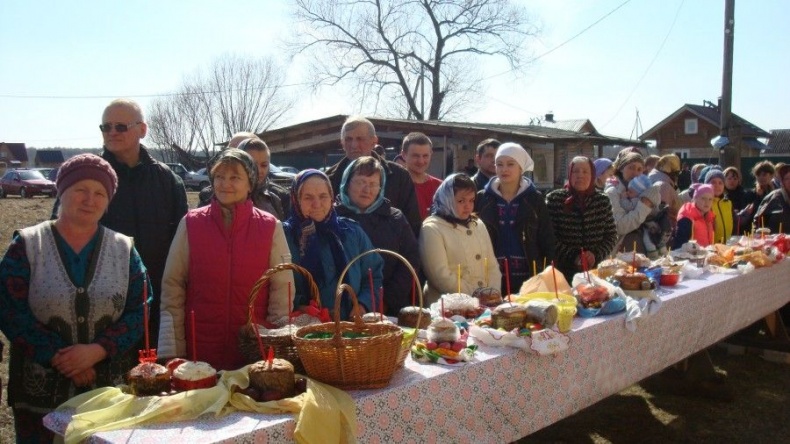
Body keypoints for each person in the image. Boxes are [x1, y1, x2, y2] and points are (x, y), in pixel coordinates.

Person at [1, 154, 148, 442]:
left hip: (107, 393)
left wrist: (98, 350)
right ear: (62, 191)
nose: (89, 200)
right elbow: (9, 310)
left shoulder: (123, 248)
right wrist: (61, 357)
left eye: (99, 193)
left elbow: (140, 307)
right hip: (40, 394)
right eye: (80, 189)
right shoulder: (28, 245)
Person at [51, 99, 189, 349]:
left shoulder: (168, 181)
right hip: (96, 305)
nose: (112, 132)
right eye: (106, 127)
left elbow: (182, 246)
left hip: (153, 302)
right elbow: (58, 234)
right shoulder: (88, 176)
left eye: (120, 127)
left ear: (142, 130)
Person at [158, 149, 293, 371]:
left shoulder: (270, 227)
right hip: (199, 352)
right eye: (219, 176)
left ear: (250, 184)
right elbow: (173, 285)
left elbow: (282, 288)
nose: (224, 184)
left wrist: (272, 342)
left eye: (234, 177)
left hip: (252, 353)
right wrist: (173, 350)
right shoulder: (191, 224)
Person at [284, 170, 383, 320]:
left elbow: (373, 275)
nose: (316, 204)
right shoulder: (285, 236)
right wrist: (300, 306)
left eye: (323, 196)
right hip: (306, 329)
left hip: (351, 327)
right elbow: (277, 287)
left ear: (331, 197)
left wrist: (362, 304)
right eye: (308, 197)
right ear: (296, 200)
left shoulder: (351, 232)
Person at [335, 156, 421, 315]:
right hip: (342, 308)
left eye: (373, 184)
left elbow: (411, 258)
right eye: (360, 182)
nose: (367, 190)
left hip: (389, 308)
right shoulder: (333, 218)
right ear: (347, 183)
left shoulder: (394, 218)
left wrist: (385, 300)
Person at [475, 143, 556, 293]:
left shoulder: (534, 199)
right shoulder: (482, 198)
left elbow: (547, 238)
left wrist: (547, 272)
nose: (504, 169)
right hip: (490, 277)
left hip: (529, 277)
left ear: (520, 168)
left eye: (510, 164)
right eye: (499, 164)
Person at [324, 116, 421, 237]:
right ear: (342, 143)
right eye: (348, 139)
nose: (354, 145)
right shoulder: (327, 180)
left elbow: (413, 225)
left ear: (374, 141)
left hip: (388, 252)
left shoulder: (398, 176)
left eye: (360, 139)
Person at [420, 173, 501, 303]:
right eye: (461, 201)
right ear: (447, 199)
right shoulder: (432, 228)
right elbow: (440, 275)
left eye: (471, 200)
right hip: (447, 307)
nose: (468, 206)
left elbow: (491, 265)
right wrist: (475, 296)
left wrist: (492, 293)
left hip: (485, 306)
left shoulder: (478, 224)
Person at [545, 157, 617, 281]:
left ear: (593, 175)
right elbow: (549, 237)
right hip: (562, 273)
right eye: (575, 171)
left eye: (585, 171)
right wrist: (574, 256)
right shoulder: (554, 199)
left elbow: (611, 235)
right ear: (569, 174)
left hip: (596, 272)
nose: (580, 175)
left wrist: (595, 255)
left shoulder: (602, 201)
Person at [199, 134, 290, 220]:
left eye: (264, 165)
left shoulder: (279, 197)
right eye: (252, 164)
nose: (258, 170)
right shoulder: (211, 195)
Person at [605, 151, 660, 254]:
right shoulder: (612, 192)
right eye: (631, 167)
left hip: (641, 250)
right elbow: (620, 226)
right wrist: (644, 205)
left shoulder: (642, 190)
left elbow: (654, 212)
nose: (635, 173)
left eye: (639, 169)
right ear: (621, 168)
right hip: (621, 253)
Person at [624, 175, 671, 258]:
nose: (627, 193)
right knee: (657, 239)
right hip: (654, 222)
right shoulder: (650, 198)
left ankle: (653, 255)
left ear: (639, 193)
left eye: (630, 192)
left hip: (647, 223)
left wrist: (622, 198)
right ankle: (664, 253)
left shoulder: (637, 200)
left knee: (647, 238)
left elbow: (628, 206)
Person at [401, 132, 443, 220]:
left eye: (425, 156)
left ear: (431, 154)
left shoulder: (440, 187)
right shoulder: (396, 187)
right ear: (404, 155)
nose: (421, 161)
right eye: (415, 156)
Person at [673, 184, 716, 249]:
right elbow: (680, 246)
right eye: (703, 198)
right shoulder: (687, 217)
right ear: (695, 199)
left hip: (704, 255)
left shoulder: (708, 217)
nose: (707, 202)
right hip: (690, 257)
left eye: (710, 199)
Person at [648, 154, 683, 229]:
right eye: (676, 173)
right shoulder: (663, 186)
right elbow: (663, 214)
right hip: (663, 231)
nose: (676, 176)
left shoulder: (655, 178)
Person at [754, 163, 790, 235]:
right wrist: (760, 233)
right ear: (782, 181)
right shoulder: (773, 198)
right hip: (776, 244)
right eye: (787, 178)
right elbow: (758, 221)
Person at [741, 161, 776, 232]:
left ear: (771, 175)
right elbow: (750, 214)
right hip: (755, 230)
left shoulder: (777, 193)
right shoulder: (750, 194)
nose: (761, 177)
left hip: (773, 230)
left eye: (764, 174)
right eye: (758, 175)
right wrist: (759, 198)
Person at [703, 168, 735, 244]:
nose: (717, 185)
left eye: (720, 183)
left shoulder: (728, 203)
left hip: (726, 244)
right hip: (711, 246)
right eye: (713, 182)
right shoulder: (704, 203)